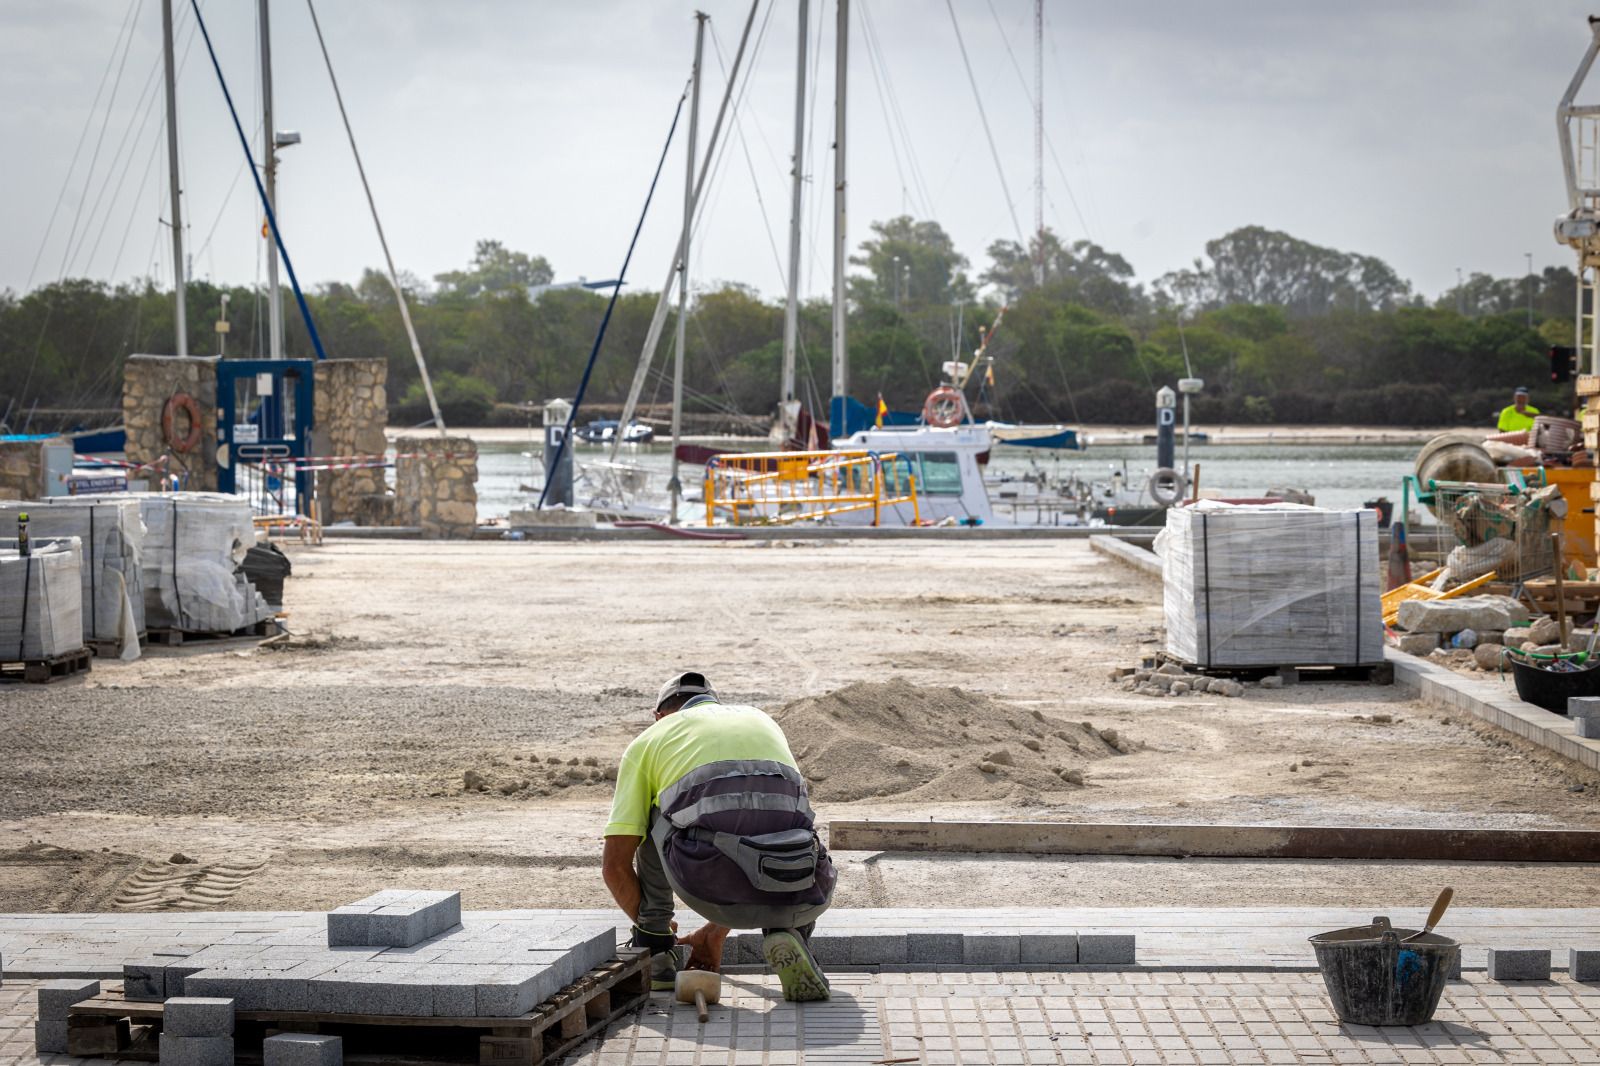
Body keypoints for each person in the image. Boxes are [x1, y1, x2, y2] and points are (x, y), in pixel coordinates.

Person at [601, 671, 835, 1002]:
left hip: (713, 884)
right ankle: (788, 931)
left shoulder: (651, 739)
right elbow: (750, 832)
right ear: (716, 705)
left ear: (659, 716)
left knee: (652, 815)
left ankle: (656, 953)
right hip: (806, 884)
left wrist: (657, 930)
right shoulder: (760, 720)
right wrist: (714, 934)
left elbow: (614, 865)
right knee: (777, 821)